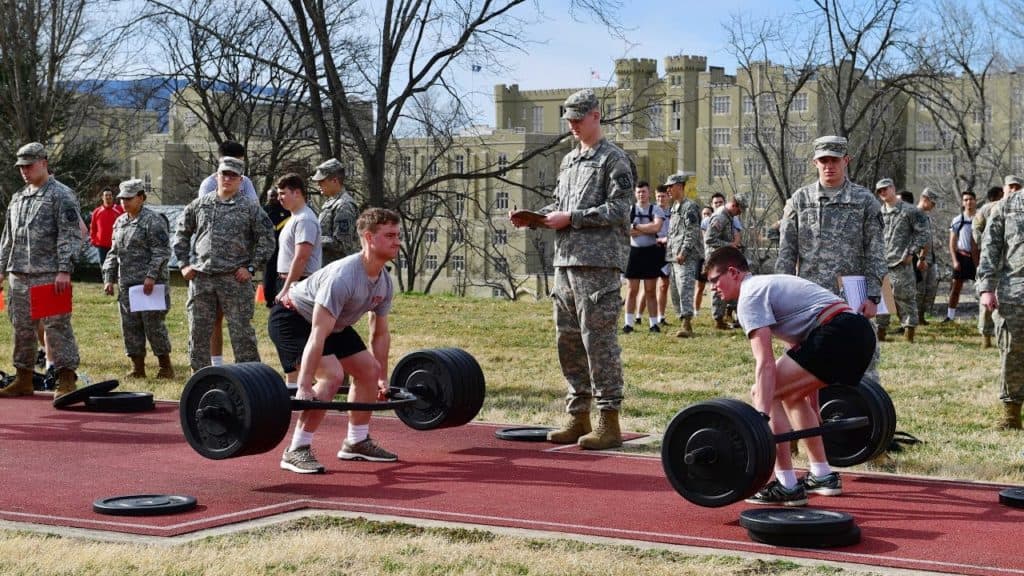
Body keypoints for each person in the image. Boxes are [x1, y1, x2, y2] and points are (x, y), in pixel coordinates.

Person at [509, 88, 633, 450]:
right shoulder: (569, 161)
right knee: (568, 342)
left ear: (596, 115)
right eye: (569, 120)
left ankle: (609, 420)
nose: (574, 126)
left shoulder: (614, 160)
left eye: (579, 119)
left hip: (598, 265)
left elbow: (620, 210)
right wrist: (538, 217)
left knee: (600, 344)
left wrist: (573, 218)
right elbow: (562, 205)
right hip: (565, 262)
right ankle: (578, 415)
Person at [706, 247, 875, 506]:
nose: (712, 288)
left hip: (837, 332)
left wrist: (759, 419)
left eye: (715, 280)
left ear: (733, 272)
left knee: (766, 390)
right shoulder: (769, 286)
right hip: (857, 333)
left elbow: (765, 364)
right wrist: (814, 405)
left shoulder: (749, 296)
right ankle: (822, 475)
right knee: (792, 396)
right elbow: (801, 352)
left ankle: (787, 484)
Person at [271, 208, 401, 473]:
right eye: (389, 235)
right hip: (293, 319)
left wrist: (383, 379)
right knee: (332, 376)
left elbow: (380, 333)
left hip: (334, 324)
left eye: (398, 235)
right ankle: (296, 449)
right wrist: (304, 385)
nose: (397, 241)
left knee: (369, 370)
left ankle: (356, 441)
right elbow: (318, 333)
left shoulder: (384, 282)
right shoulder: (343, 277)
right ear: (369, 237)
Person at [775, 135, 886, 389]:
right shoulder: (800, 201)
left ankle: (866, 420)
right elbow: (786, 254)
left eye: (834, 160)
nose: (829, 166)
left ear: (846, 161)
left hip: (852, 296)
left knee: (862, 366)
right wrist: (781, 299)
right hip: (808, 299)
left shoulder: (864, 201)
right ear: (815, 162)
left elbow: (876, 252)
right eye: (823, 160)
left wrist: (873, 296)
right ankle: (816, 422)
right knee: (807, 364)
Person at [173, 157, 275, 372]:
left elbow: (267, 239)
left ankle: (250, 378)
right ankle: (200, 379)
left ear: (241, 180)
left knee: (242, 334)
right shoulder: (200, 205)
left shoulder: (250, 207)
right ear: (216, 176)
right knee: (198, 332)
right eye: (224, 174)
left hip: (234, 280)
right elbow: (181, 234)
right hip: (202, 279)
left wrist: (251, 267)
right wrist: (183, 265)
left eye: (233, 175)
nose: (227, 179)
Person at [0, 142, 82, 403]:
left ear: (44, 162)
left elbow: (70, 235)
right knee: (21, 327)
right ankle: (23, 378)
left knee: (56, 326)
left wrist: (64, 269)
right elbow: (7, 238)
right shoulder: (18, 198)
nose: (24, 170)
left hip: (49, 274)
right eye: (21, 166)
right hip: (19, 274)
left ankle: (66, 377)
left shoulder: (61, 195)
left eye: (30, 165)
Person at [101, 179, 174, 379]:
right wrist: (108, 278)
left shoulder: (153, 220)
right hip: (127, 285)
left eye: (129, 198)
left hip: (150, 285)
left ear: (141, 198)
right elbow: (113, 253)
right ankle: (137, 367)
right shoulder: (120, 222)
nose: (124, 202)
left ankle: (165, 366)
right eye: (122, 199)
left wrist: (151, 276)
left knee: (154, 326)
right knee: (130, 326)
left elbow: (161, 251)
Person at [977, 176, 1024, 430]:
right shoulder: (1007, 206)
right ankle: (1011, 415)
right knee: (1013, 352)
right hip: (1014, 293)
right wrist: (986, 287)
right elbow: (990, 248)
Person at [273, 173, 323, 388]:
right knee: (291, 332)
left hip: (299, 283)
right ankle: (294, 384)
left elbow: (301, 256)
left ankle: (300, 383)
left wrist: (286, 288)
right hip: (291, 281)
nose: (280, 198)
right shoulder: (295, 217)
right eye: (278, 193)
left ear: (297, 193)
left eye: (283, 193)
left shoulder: (305, 219)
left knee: (281, 329)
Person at [874, 178, 926, 343]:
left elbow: (923, 233)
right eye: (880, 191)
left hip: (900, 262)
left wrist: (912, 252)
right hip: (881, 262)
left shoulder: (910, 211)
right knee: (881, 299)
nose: (883, 193)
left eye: (885, 189)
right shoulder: (878, 213)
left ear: (893, 188)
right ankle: (881, 333)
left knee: (905, 297)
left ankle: (908, 334)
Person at [975, 181, 1016, 348]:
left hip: (1012, 267)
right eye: (1010, 187)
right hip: (992, 262)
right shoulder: (988, 208)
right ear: (1003, 189)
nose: (1013, 190)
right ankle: (986, 338)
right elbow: (976, 230)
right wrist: (985, 248)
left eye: (1017, 187)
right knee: (987, 304)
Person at [622, 181, 665, 333]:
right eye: (639, 192)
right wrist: (646, 229)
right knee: (631, 289)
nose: (641, 194)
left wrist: (636, 227)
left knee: (650, 291)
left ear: (649, 192)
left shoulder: (656, 209)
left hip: (650, 252)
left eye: (644, 191)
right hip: (634, 252)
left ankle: (653, 324)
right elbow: (625, 230)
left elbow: (656, 227)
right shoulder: (630, 209)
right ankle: (628, 324)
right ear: (635, 193)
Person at [664, 173, 702, 338]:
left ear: (680, 186)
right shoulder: (674, 207)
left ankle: (687, 324)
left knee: (685, 287)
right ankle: (682, 320)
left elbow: (692, 232)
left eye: (670, 186)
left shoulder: (689, 207)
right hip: (674, 256)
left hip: (685, 256)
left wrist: (684, 252)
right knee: (675, 290)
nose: (668, 190)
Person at [704, 194, 747, 329]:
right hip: (716, 258)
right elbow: (709, 239)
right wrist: (729, 245)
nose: (739, 213)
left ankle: (724, 316)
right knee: (718, 288)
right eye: (739, 210)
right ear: (734, 205)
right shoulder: (720, 217)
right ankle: (718, 319)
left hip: (722, 257)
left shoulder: (728, 216)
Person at [313, 158, 361, 264]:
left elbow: (342, 244)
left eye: (321, 181)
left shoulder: (344, 205)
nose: (318, 184)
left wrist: (314, 238)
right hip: (329, 267)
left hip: (340, 269)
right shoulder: (332, 202)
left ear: (334, 181)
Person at [945, 190, 978, 322]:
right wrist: (954, 260)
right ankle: (950, 316)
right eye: (965, 200)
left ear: (975, 201)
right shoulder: (958, 220)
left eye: (971, 199)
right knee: (955, 288)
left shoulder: (981, 217)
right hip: (962, 257)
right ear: (962, 202)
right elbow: (952, 242)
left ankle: (985, 317)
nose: (968, 202)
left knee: (984, 288)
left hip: (978, 258)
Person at [262, 187, 292, 307]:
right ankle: (269, 300)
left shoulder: (286, 210)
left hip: (283, 249)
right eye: (271, 196)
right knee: (269, 275)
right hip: (268, 250)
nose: (273, 198)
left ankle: (281, 297)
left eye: (275, 196)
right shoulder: (263, 211)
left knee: (282, 275)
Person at [916, 188, 941, 323]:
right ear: (925, 199)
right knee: (919, 290)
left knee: (929, 289)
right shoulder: (916, 215)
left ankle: (922, 316)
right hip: (921, 258)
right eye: (932, 202)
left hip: (930, 258)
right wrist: (921, 258)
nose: (934, 206)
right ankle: (915, 318)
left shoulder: (926, 216)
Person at [89, 188, 124, 264]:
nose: (108, 197)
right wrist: (93, 240)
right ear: (102, 197)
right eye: (106, 195)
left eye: (110, 195)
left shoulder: (120, 210)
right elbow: (93, 227)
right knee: (103, 266)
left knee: (117, 267)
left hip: (116, 245)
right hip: (102, 246)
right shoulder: (97, 211)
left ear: (113, 197)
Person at [693, 205, 714, 315]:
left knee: (715, 287)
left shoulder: (716, 228)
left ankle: (715, 311)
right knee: (699, 286)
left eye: (708, 214)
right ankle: (696, 311)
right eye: (704, 214)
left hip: (713, 259)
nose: (706, 216)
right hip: (701, 258)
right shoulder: (697, 229)